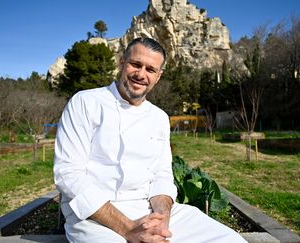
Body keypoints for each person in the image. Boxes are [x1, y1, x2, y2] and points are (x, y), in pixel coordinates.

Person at [54, 37, 247, 243]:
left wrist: (162, 219)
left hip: (146, 208)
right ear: (121, 63)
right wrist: (128, 228)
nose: (141, 74)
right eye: (135, 64)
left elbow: (162, 176)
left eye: (150, 69)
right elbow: (68, 174)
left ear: (158, 76)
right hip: (93, 214)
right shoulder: (85, 102)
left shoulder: (159, 117)